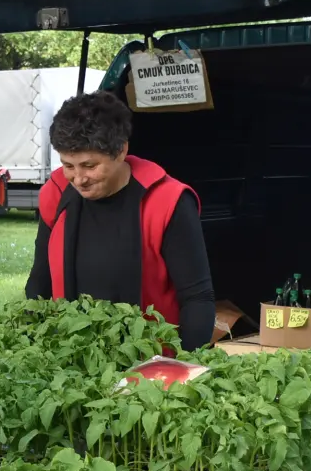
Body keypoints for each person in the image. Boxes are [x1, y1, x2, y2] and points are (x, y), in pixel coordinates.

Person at [25, 91, 215, 349]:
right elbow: (39, 281)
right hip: (72, 357)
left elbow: (197, 298)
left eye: (90, 165)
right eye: (68, 165)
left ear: (121, 150)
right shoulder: (56, 194)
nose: (78, 179)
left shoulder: (169, 202)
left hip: (152, 361)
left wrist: (183, 363)